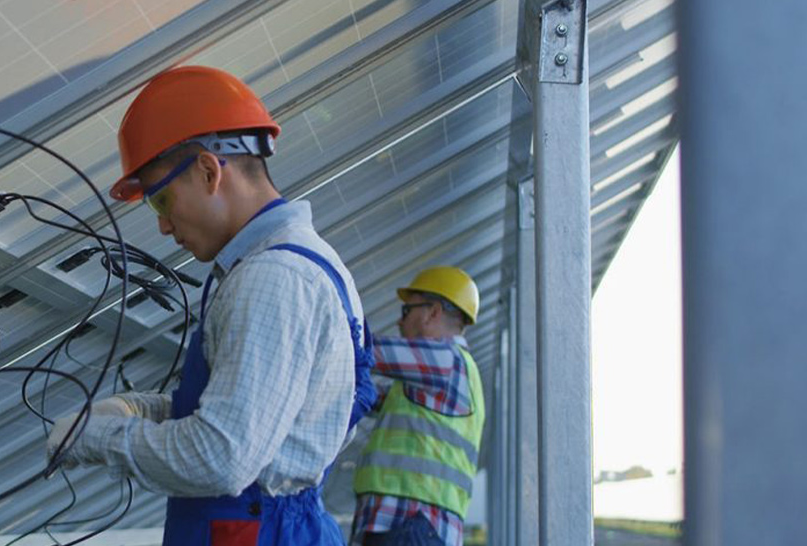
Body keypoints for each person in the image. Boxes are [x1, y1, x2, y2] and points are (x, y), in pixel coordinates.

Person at [46, 65, 376, 545]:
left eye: (161, 201)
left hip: (257, 530)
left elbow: (221, 456)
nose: (162, 226)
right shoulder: (293, 263)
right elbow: (255, 411)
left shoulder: (272, 279)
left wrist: (95, 439)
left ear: (208, 170)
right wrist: (140, 410)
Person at [351, 267, 486, 546]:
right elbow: (373, 396)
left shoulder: (446, 360)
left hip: (408, 523)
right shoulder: (446, 376)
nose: (401, 323)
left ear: (432, 312)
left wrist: (329, 330)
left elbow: (369, 353)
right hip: (417, 526)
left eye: (406, 311)